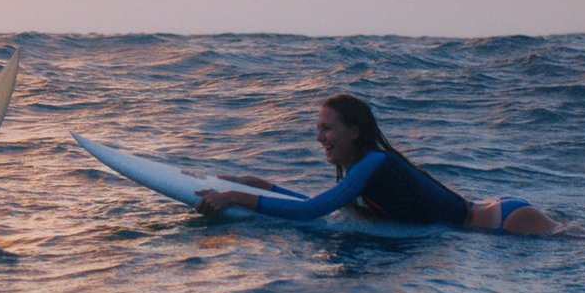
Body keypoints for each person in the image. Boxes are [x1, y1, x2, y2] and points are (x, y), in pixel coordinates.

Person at [195, 94, 561, 235]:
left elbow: (312, 211)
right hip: (489, 217)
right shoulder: (361, 170)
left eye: (327, 128)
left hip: (505, 220)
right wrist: (258, 185)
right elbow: (325, 205)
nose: (319, 137)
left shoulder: (373, 163)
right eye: (317, 128)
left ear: (353, 132)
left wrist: (235, 197)